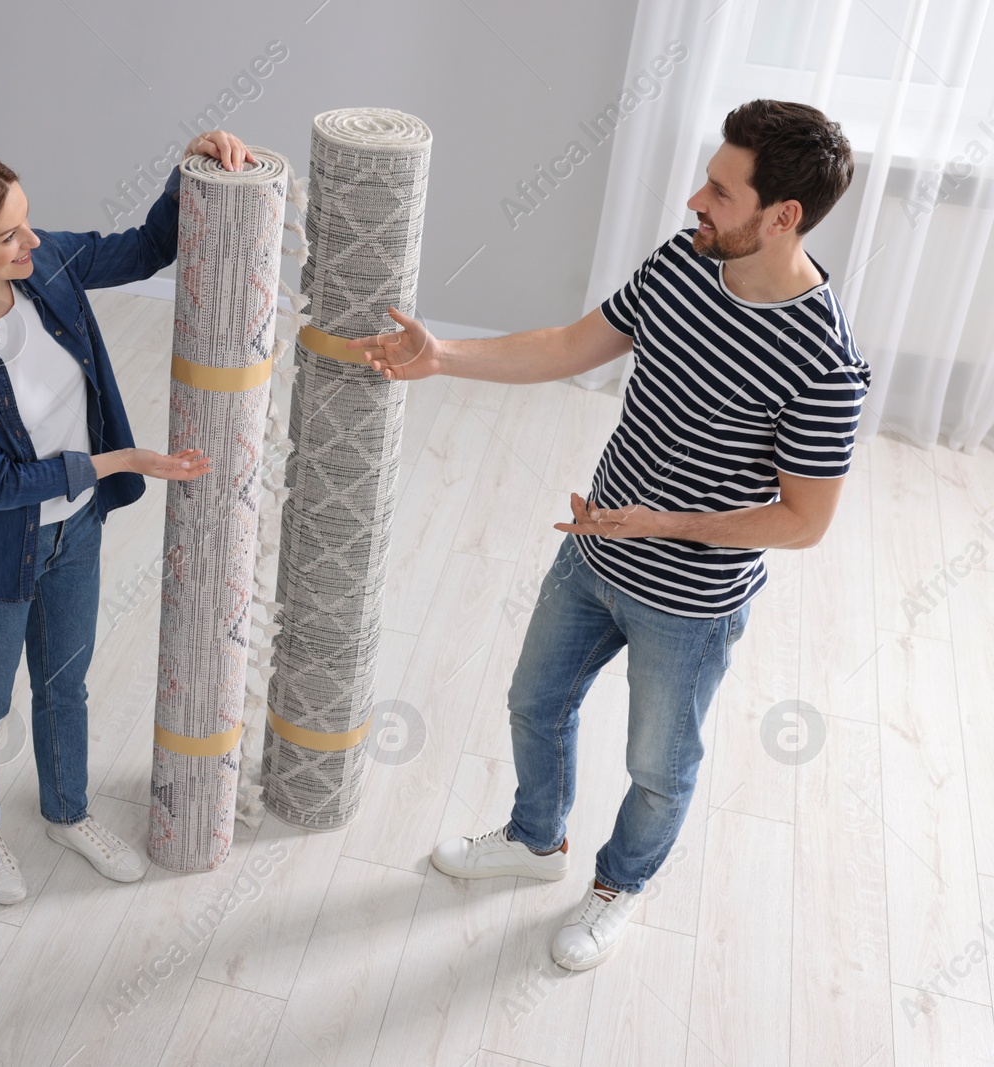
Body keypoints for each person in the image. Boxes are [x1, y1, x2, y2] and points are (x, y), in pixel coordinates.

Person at [349, 99, 868, 970]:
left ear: (782, 217)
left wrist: (666, 524)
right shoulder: (680, 265)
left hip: (691, 602)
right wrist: (443, 359)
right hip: (591, 550)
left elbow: (805, 520)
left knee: (658, 767)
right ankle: (534, 840)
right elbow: (568, 344)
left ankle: (618, 886)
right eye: (706, 178)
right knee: (535, 702)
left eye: (719, 190)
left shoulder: (826, 361)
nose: (694, 201)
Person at [0, 130, 255, 904]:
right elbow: (2, 481)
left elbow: (150, 246)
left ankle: (66, 812)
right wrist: (120, 462)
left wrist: (188, 166)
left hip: (75, 534)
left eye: (27, 221)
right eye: (8, 234)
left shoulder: (47, 266)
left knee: (65, 686)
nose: (31, 240)